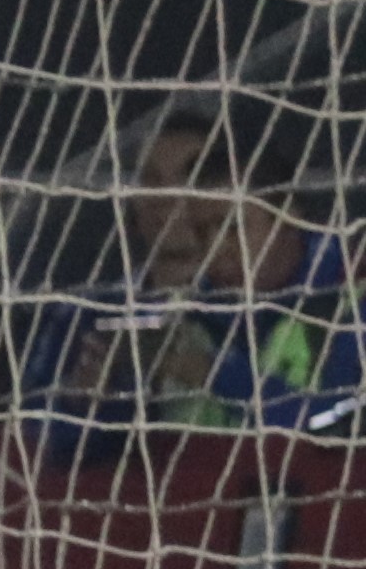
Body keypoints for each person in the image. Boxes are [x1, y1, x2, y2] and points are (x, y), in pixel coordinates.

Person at [20, 105, 361, 453]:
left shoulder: (349, 295)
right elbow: (101, 457)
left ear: (286, 211)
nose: (217, 246)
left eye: (232, 226)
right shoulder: (174, 317)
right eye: (205, 230)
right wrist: (94, 403)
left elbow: (341, 426)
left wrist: (211, 372)